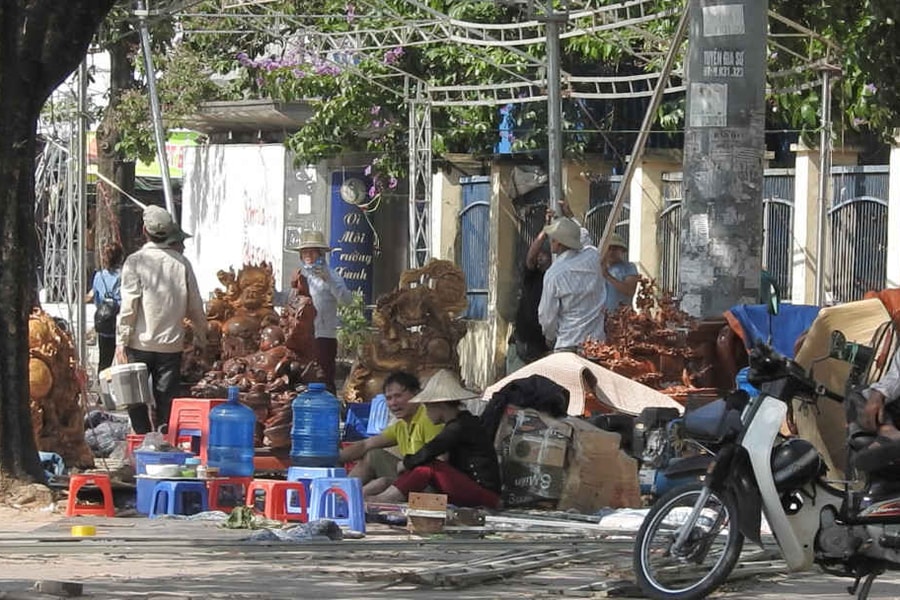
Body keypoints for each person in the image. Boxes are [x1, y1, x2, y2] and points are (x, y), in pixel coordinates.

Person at [115, 206, 207, 434]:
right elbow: (196, 306)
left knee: (135, 398)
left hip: (139, 343)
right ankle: (164, 439)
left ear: (144, 230)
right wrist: (200, 337)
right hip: (171, 346)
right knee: (166, 398)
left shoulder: (135, 261)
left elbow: (129, 305)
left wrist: (121, 340)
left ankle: (142, 436)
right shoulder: (181, 263)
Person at [369, 369, 502, 508]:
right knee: (416, 470)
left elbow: (430, 450)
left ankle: (383, 499)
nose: (425, 411)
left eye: (427, 406)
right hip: (467, 487)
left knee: (430, 466)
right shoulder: (456, 424)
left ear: (440, 405)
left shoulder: (461, 425)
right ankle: (380, 497)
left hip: (485, 495)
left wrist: (406, 463)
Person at [339, 371, 443, 496]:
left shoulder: (428, 418)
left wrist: (408, 465)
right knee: (374, 455)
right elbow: (366, 444)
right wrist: (330, 459)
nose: (393, 403)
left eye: (398, 396)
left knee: (381, 484)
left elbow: (440, 464)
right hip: (408, 477)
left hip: (428, 486)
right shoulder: (401, 425)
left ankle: (344, 499)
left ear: (416, 395)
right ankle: (340, 494)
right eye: (389, 398)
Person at [288, 230, 352, 392]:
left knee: (322, 379)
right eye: (304, 251)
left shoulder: (332, 275)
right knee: (299, 379)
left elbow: (347, 300)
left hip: (322, 337)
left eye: (312, 251)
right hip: (300, 338)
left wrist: (328, 280)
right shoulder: (299, 276)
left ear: (320, 253)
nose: (308, 255)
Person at [538, 216, 607, 351]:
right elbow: (584, 237)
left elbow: (546, 317)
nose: (550, 241)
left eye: (552, 238)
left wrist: (550, 337)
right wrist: (570, 215)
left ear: (558, 243)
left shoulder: (553, 274)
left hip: (568, 344)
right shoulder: (593, 256)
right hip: (597, 346)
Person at [507, 213, 553, 373]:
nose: (539, 258)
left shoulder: (558, 278)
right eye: (539, 255)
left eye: (544, 255)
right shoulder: (533, 276)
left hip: (542, 349)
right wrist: (544, 232)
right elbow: (530, 257)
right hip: (523, 343)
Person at [86, 242, 123, 372]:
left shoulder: (98, 276)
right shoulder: (123, 276)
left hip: (104, 322)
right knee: (122, 362)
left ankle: (104, 388)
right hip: (119, 322)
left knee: (104, 361)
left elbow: (96, 299)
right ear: (120, 257)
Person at [602, 233, 639, 312]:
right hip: (601, 318)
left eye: (615, 249)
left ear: (621, 250)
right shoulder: (597, 267)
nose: (611, 252)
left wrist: (607, 276)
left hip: (621, 316)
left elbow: (630, 290)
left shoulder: (629, 267)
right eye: (609, 248)